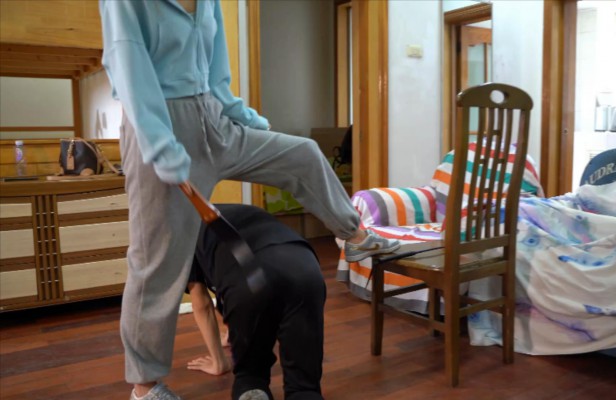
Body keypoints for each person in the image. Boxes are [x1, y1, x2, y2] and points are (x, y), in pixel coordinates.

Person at [98, 1, 399, 399]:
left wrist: (240, 114)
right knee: (155, 264)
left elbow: (215, 74)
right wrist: (160, 146)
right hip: (160, 125)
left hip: (213, 121)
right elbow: (130, 71)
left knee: (303, 154)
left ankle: (354, 235)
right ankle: (144, 386)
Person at [186, 204, 325, 400]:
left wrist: (219, 362)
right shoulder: (231, 211)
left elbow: (203, 305)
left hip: (250, 277)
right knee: (304, 387)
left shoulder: (184, 233)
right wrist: (233, 333)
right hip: (306, 268)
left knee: (251, 379)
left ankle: (251, 386)